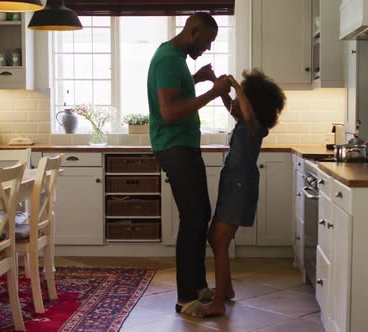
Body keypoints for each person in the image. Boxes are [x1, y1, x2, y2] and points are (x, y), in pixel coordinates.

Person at [147, 12, 231, 316]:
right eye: (207, 41)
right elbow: (169, 112)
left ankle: (197, 287)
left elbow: (173, 92)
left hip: (182, 146)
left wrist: (196, 79)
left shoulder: (175, 58)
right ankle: (185, 296)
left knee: (200, 215)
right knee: (193, 217)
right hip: (175, 147)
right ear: (193, 31)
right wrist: (213, 92)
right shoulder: (170, 59)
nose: (207, 48)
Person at [199, 69, 286, 317]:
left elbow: (245, 113)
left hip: (239, 188)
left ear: (253, 105)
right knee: (215, 238)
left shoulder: (255, 126)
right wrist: (220, 88)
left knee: (219, 240)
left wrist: (237, 86)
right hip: (232, 187)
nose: (235, 103)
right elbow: (236, 109)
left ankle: (218, 302)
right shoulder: (243, 123)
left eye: (241, 99)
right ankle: (226, 290)